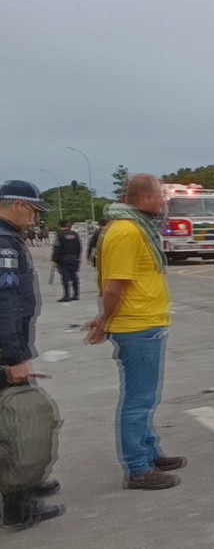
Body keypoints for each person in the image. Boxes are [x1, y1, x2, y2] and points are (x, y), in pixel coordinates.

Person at [83, 174, 186, 490]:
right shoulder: (127, 231)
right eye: (160, 197)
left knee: (146, 397)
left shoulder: (134, 227)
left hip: (146, 324)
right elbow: (115, 285)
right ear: (144, 200)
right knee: (139, 400)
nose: (163, 202)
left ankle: (149, 452)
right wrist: (103, 320)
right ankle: (138, 468)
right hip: (137, 326)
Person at [0, 180, 63, 528]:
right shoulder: (4, 244)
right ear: (20, 206)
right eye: (35, 211)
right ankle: (18, 507)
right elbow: (6, 305)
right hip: (4, 350)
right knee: (18, 424)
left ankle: (24, 488)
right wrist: (14, 358)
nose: (35, 218)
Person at [51, 220, 82, 302]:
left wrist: (55, 260)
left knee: (65, 277)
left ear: (60, 226)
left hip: (64, 259)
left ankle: (67, 295)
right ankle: (76, 294)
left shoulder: (59, 235)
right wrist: (77, 257)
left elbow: (57, 248)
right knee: (74, 276)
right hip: (74, 258)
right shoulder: (75, 234)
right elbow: (79, 247)